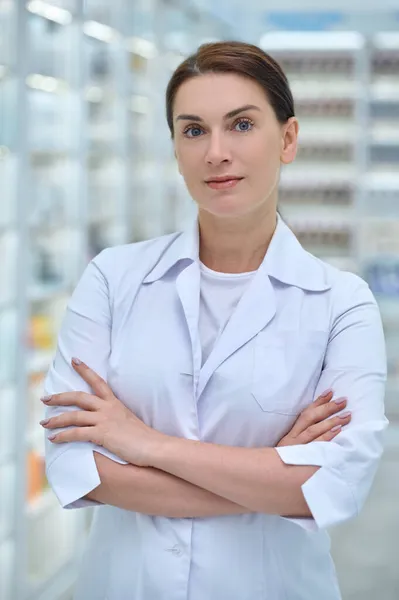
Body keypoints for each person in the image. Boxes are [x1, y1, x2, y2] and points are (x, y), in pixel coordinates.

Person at [41, 41, 388, 600]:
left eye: (242, 125)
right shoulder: (113, 277)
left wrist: (141, 443)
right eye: (194, 130)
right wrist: (270, 475)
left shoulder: (342, 303)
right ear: (176, 148)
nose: (216, 153)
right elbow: (73, 463)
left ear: (289, 139)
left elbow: (334, 486)